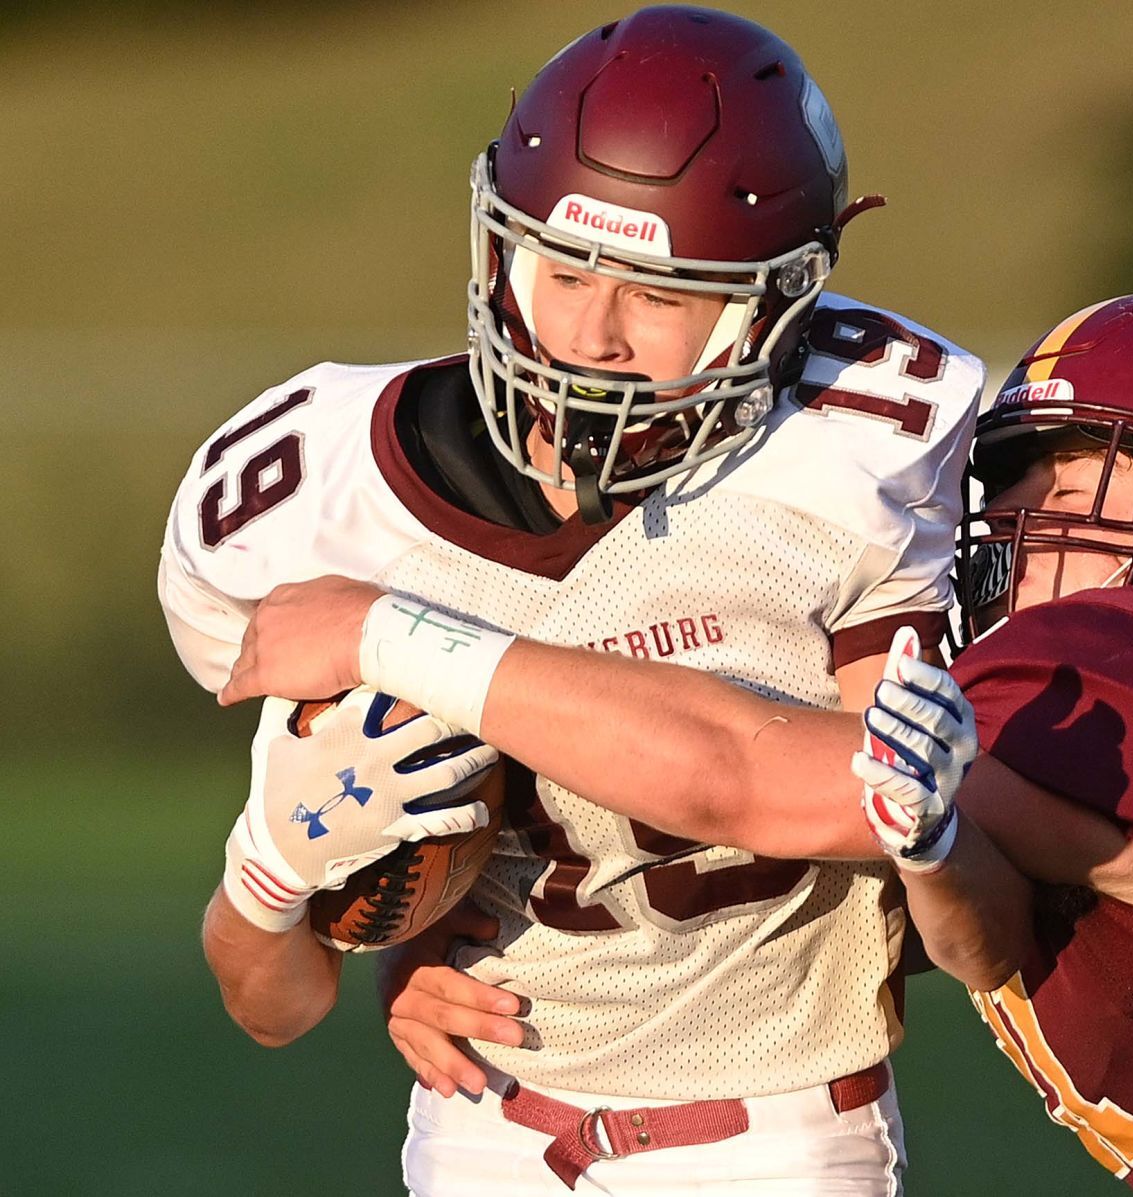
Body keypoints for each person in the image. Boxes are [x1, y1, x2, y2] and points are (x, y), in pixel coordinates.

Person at [226, 293, 1133, 1194]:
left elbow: (751, 775)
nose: (1021, 516)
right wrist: (489, 937)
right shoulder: (1132, 725)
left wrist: (398, 636)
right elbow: (942, 886)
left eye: (1092, 474)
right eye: (1023, 473)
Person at [158, 7, 986, 1193]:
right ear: (499, 245)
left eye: (660, 293)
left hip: (773, 1133)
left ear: (774, 307)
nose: (590, 337)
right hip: (483, 1122)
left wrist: (402, 637)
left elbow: (867, 793)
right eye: (563, 268)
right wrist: (272, 873)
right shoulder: (325, 490)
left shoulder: (852, 453)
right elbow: (270, 1004)